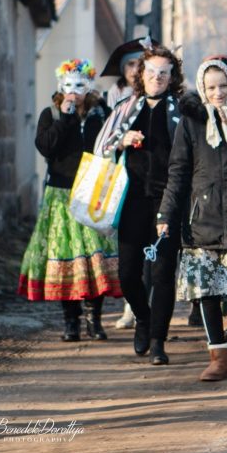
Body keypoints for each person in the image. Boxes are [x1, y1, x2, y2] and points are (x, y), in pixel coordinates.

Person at [157, 57, 227, 381]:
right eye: (211, 87)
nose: (218, 93)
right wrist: (166, 214)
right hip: (201, 218)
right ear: (202, 88)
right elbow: (178, 172)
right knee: (208, 290)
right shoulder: (190, 122)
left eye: (224, 85)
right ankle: (218, 355)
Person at [19, 59, 122, 340]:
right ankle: (71, 322)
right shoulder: (50, 114)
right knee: (67, 260)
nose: (74, 91)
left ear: (88, 86)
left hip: (93, 193)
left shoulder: (101, 113)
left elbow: (112, 145)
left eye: (79, 85)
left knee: (95, 259)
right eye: (68, 86)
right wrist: (65, 118)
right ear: (60, 87)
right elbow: (46, 147)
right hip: (61, 195)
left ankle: (95, 318)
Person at [96, 44, 185, 365]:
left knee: (162, 274)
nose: (157, 77)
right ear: (141, 75)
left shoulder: (182, 109)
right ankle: (143, 318)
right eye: (151, 72)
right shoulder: (124, 107)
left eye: (164, 72)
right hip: (131, 200)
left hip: (169, 200)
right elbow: (101, 147)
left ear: (172, 76)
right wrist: (122, 140)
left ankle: (158, 341)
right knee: (129, 274)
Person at [101, 37, 158, 330]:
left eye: (142, 64)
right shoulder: (119, 101)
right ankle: (136, 310)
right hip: (128, 191)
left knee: (157, 267)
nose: (137, 70)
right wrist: (122, 140)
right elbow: (103, 144)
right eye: (132, 65)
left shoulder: (169, 103)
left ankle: (153, 329)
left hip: (161, 193)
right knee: (129, 268)